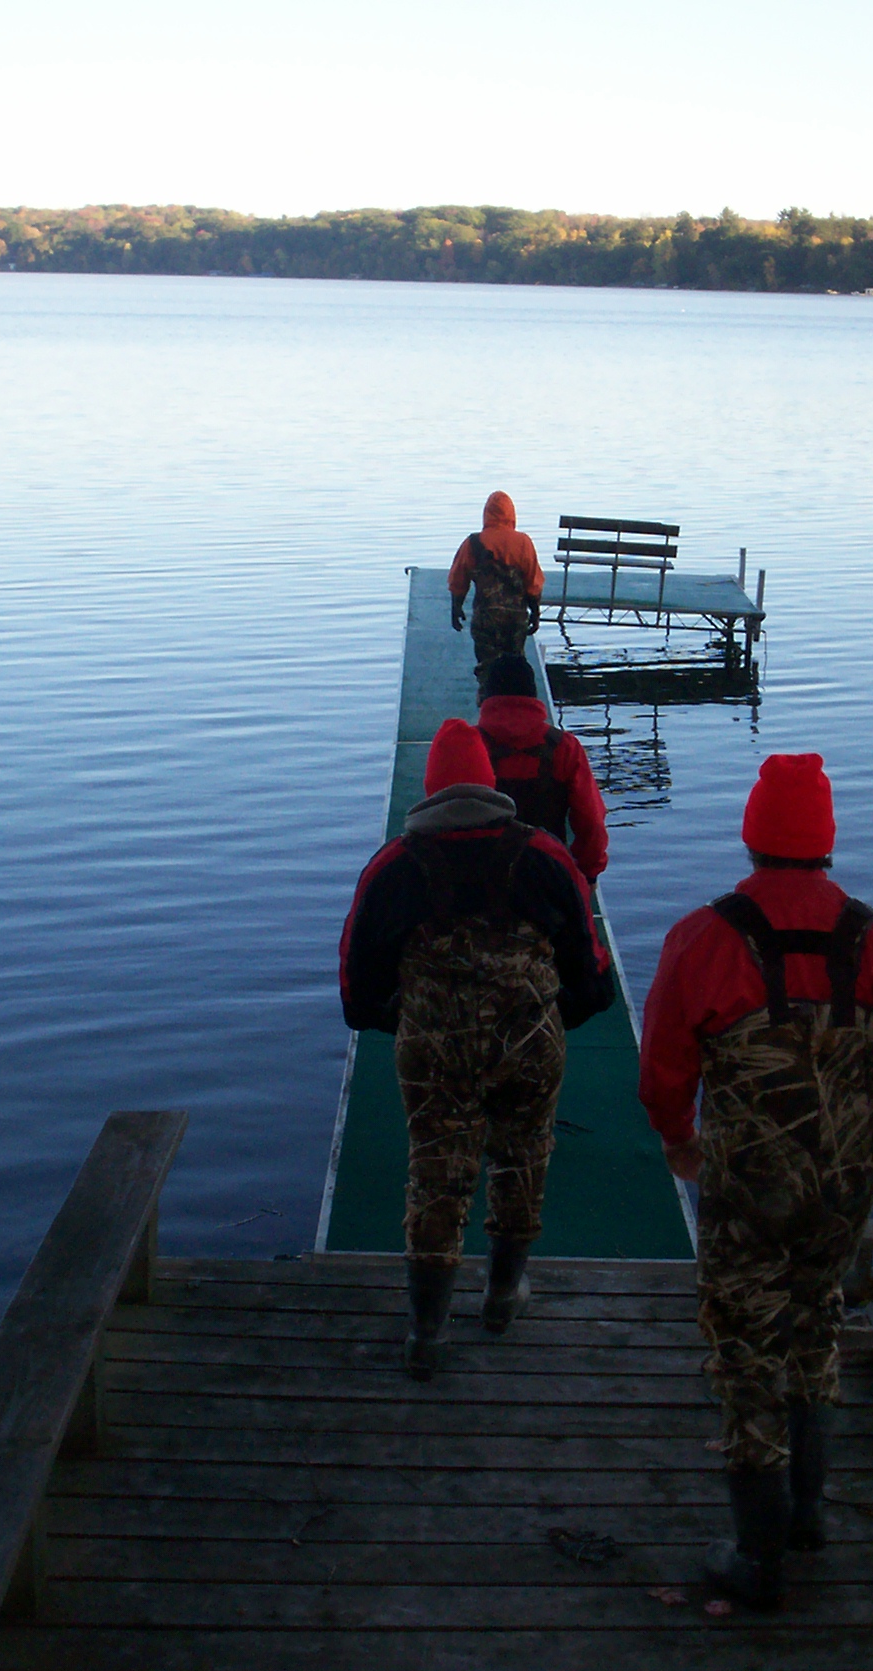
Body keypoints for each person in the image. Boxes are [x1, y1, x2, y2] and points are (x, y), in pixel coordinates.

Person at [638, 753, 873, 1607]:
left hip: (745, 1193)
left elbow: (663, 1069)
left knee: (746, 1354)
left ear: (752, 834)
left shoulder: (701, 939)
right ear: (825, 840)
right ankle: (809, 1513)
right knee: (816, 1325)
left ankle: (757, 1556)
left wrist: (679, 1139)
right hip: (840, 1192)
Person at [340, 719, 615, 1379]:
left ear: (430, 786)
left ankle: (428, 1331)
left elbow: (356, 986)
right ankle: (501, 1296)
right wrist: (553, 1017)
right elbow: (593, 974)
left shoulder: (393, 867)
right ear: (490, 783)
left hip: (435, 1048)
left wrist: (405, 1019)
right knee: (523, 1161)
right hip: (530, 1041)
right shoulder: (547, 856)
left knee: (437, 1175)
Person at [474, 652, 609, 882]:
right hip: (548, 875)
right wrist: (589, 873)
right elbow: (592, 822)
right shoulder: (564, 747)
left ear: (486, 695)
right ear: (533, 694)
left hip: (483, 877)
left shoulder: (470, 744)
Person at [448, 490, 544, 670]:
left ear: (486, 514)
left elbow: (458, 580)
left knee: (486, 668)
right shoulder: (523, 543)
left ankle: (488, 696)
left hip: (485, 619)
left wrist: (456, 607)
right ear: (512, 514)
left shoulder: (473, 543)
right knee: (515, 666)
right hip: (515, 621)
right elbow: (533, 584)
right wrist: (535, 613)